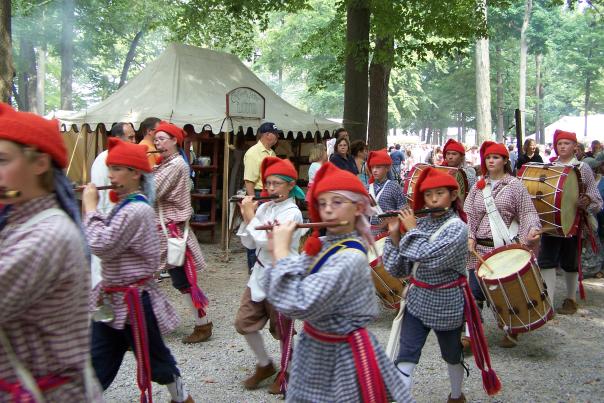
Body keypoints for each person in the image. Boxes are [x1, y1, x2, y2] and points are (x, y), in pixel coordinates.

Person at [263, 162, 413, 403]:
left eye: (337, 202)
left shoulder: (350, 257)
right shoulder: (324, 245)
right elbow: (292, 280)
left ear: (358, 208)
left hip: (340, 356)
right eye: (322, 203)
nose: (328, 210)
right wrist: (278, 251)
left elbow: (299, 303)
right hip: (315, 349)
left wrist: (281, 252)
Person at [0, 103, 102, 401]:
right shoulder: (19, 222)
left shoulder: (48, 235)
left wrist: (94, 209)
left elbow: (106, 244)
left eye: (3, 160)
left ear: (40, 163)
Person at [83, 138, 194, 403]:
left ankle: (183, 398)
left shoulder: (136, 209)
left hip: (134, 301)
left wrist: (89, 208)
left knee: (156, 360)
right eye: (110, 168)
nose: (110, 175)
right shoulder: (125, 205)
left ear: (135, 173)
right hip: (113, 299)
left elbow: (101, 244)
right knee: (96, 363)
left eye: (117, 168)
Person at [383, 166, 500, 403]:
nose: (433, 199)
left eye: (439, 193)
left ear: (453, 195)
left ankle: (456, 396)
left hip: (447, 302)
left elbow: (427, 256)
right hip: (417, 300)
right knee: (406, 356)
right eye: (428, 195)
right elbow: (400, 269)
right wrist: (395, 237)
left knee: (452, 355)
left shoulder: (457, 229)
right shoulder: (422, 224)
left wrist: (412, 230)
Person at [235, 157, 306, 395]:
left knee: (283, 330)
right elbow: (249, 241)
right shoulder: (264, 207)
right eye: (268, 183)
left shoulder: (293, 213)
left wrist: (249, 217)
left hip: (282, 276)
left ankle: (289, 369)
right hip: (260, 273)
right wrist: (249, 215)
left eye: (277, 183)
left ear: (290, 185)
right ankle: (265, 364)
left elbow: (269, 243)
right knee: (244, 323)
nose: (271, 188)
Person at [463, 141, 541, 348]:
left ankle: (511, 328)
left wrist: (531, 231)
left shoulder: (515, 185)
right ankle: (471, 336)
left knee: (507, 292)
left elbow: (527, 212)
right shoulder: (478, 186)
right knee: (474, 293)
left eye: (496, 157)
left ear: (505, 160)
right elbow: (469, 214)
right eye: (488, 157)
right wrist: (470, 235)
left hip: (503, 248)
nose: (491, 161)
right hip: (479, 248)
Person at [154, 121, 213, 343]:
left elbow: (152, 190)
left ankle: (202, 324)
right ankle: (201, 324)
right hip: (162, 230)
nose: (157, 143)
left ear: (173, 141)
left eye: (162, 139)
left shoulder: (175, 165)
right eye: (156, 139)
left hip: (170, 231)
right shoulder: (165, 164)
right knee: (155, 279)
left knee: (181, 281)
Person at [538, 130, 603, 315]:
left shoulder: (583, 168)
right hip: (551, 222)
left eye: (566, 143)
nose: (562, 147)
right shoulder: (549, 167)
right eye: (559, 144)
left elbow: (596, 198)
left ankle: (570, 299)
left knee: (570, 261)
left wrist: (587, 201)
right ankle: (548, 302)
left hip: (573, 221)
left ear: (575, 146)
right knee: (546, 261)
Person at [89, 122, 137, 287]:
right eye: (130, 137)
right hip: (107, 220)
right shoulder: (107, 158)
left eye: (134, 137)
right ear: (117, 139)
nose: (134, 141)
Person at [242, 122, 279, 271]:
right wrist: (253, 201)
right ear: (267, 135)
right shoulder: (253, 153)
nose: (277, 137)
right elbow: (249, 180)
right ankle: (253, 266)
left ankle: (265, 264)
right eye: (275, 134)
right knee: (255, 228)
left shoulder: (271, 153)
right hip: (257, 194)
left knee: (267, 230)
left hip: (269, 194)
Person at [366, 149, 406, 236]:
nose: (374, 170)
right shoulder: (367, 188)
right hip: (370, 233)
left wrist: (392, 220)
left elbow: (403, 210)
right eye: (372, 167)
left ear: (387, 168)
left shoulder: (394, 187)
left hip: (389, 233)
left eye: (378, 167)